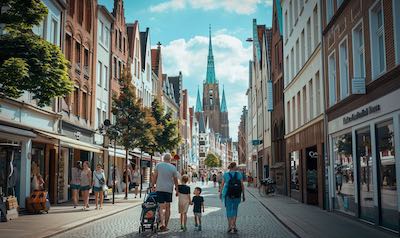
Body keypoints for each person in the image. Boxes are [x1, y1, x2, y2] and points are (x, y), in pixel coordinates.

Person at [151, 153, 179, 232]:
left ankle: (162, 224)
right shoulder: (173, 167)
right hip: (168, 189)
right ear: (170, 159)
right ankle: (165, 225)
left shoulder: (158, 165)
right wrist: (177, 190)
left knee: (161, 207)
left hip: (159, 188)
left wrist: (152, 185)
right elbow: (175, 180)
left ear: (163, 159)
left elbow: (155, 176)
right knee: (168, 207)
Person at [219, 162, 245, 234]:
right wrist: (243, 195)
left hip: (228, 194)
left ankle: (229, 226)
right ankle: (234, 225)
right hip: (237, 194)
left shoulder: (226, 174)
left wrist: (220, 193)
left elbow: (222, 184)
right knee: (235, 209)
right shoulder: (239, 174)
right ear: (234, 167)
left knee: (229, 210)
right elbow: (242, 185)